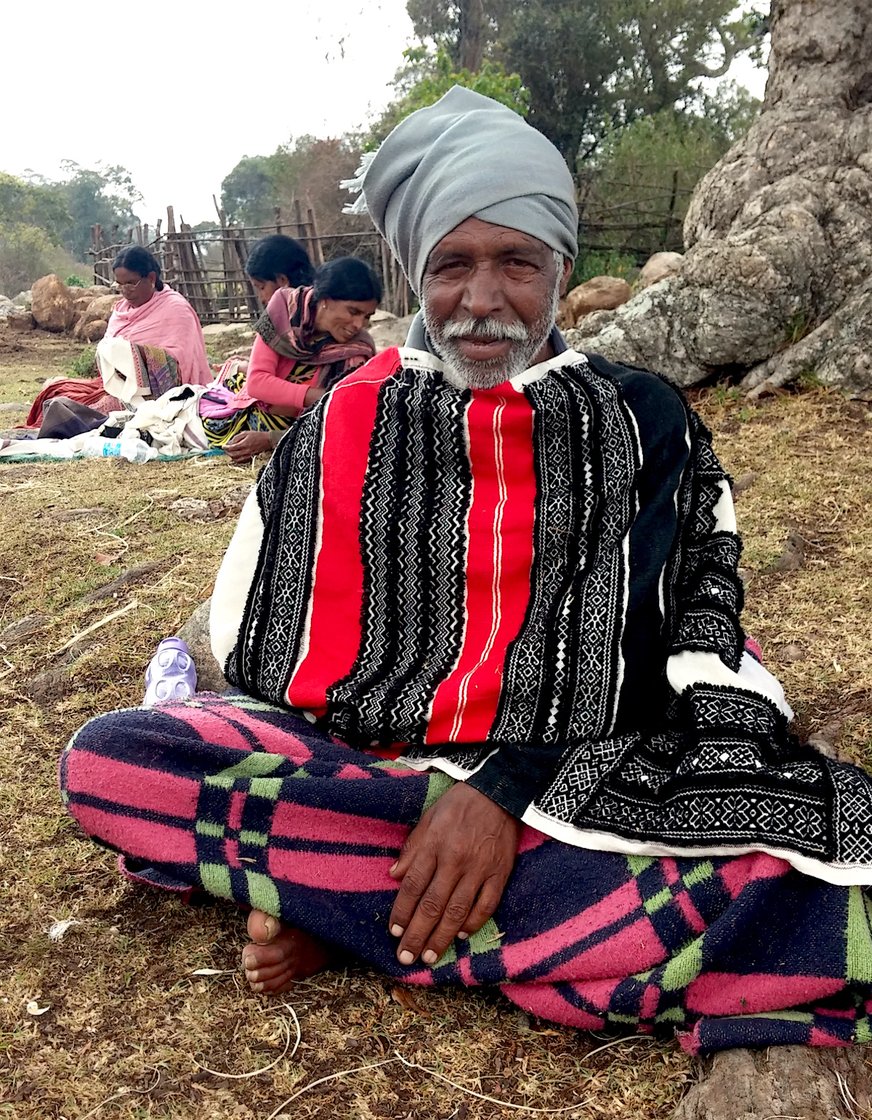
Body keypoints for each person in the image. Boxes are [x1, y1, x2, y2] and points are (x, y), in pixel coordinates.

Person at [60, 88, 872, 1055]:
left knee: (807, 860)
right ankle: (467, 923)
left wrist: (498, 788)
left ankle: (356, 917)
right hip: (375, 767)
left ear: (563, 270)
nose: (482, 301)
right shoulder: (351, 420)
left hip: (582, 769)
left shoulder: (638, 417)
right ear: (418, 273)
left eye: (517, 263)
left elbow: (666, 639)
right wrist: (428, 763)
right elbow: (271, 648)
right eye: (452, 266)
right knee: (114, 762)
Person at [202, 256, 380, 463]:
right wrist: (325, 397)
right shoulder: (283, 309)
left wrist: (272, 439)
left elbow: (346, 420)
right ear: (325, 300)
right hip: (250, 407)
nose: (359, 324)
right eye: (353, 311)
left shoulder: (358, 350)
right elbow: (257, 383)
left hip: (297, 428)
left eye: (367, 316)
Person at [26, 246, 211, 434]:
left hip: (153, 396)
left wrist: (135, 355)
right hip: (113, 387)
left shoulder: (176, 309)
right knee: (55, 391)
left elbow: (181, 364)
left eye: (131, 283)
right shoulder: (121, 310)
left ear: (152, 279)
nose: (125, 291)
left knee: (96, 409)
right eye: (119, 285)